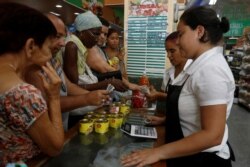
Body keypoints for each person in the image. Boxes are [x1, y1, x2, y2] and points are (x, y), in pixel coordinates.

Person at [121, 6, 235, 167]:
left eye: (181, 34)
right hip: (187, 153)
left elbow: (213, 135)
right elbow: (193, 111)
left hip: (203, 160)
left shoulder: (211, 69)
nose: (179, 41)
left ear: (199, 32)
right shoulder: (199, 66)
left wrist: (157, 152)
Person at [0, 3, 64, 165]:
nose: (50, 55)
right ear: (30, 46)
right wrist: (54, 97)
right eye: (49, 48)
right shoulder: (23, 94)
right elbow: (55, 147)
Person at [25, 13, 110, 131]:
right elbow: (46, 104)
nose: (62, 43)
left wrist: (93, 96)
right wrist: (87, 99)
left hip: (61, 124)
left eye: (63, 36)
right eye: (56, 36)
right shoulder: (32, 67)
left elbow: (68, 86)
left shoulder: (53, 60)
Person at [63, 11, 128, 92]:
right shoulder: (72, 46)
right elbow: (74, 88)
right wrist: (107, 83)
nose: (97, 38)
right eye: (95, 34)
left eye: (104, 34)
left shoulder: (81, 47)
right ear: (82, 32)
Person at [145, 31, 192, 124]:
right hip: (170, 122)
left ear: (183, 49)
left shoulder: (192, 72)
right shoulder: (168, 73)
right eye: (167, 51)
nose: (168, 56)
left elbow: (186, 101)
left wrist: (158, 94)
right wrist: (154, 93)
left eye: (172, 51)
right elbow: (164, 96)